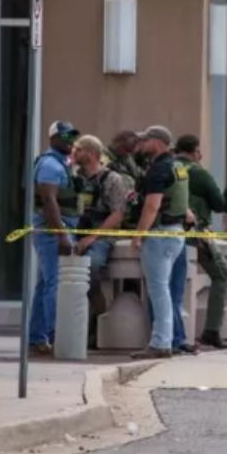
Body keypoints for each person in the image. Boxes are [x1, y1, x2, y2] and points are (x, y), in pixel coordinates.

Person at [131, 125, 193, 360]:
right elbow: (182, 203)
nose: (141, 145)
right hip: (176, 232)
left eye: (145, 140)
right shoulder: (179, 167)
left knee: (158, 291)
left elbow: (152, 206)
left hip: (159, 233)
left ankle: (161, 343)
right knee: (164, 290)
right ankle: (164, 340)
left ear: (157, 142)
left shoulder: (159, 169)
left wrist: (138, 234)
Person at [169, 133, 227, 352]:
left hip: (167, 232)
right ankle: (211, 331)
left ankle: (173, 334)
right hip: (196, 233)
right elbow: (220, 204)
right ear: (195, 151)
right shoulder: (198, 172)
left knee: (169, 285)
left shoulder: (168, 167)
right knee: (222, 273)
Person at [72, 134, 132, 350]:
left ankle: (98, 320)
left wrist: (93, 236)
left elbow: (117, 213)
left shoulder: (112, 179)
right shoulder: (74, 178)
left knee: (92, 268)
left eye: (77, 149)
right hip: (75, 233)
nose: (73, 153)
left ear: (89, 153)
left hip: (101, 236)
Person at [29, 120, 83, 356]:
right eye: (64, 136)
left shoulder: (62, 163)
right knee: (55, 284)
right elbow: (49, 202)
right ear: (52, 139)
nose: (69, 140)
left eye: (72, 136)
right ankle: (56, 336)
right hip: (53, 231)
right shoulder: (50, 165)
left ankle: (37, 337)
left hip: (57, 228)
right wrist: (61, 235)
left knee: (45, 284)